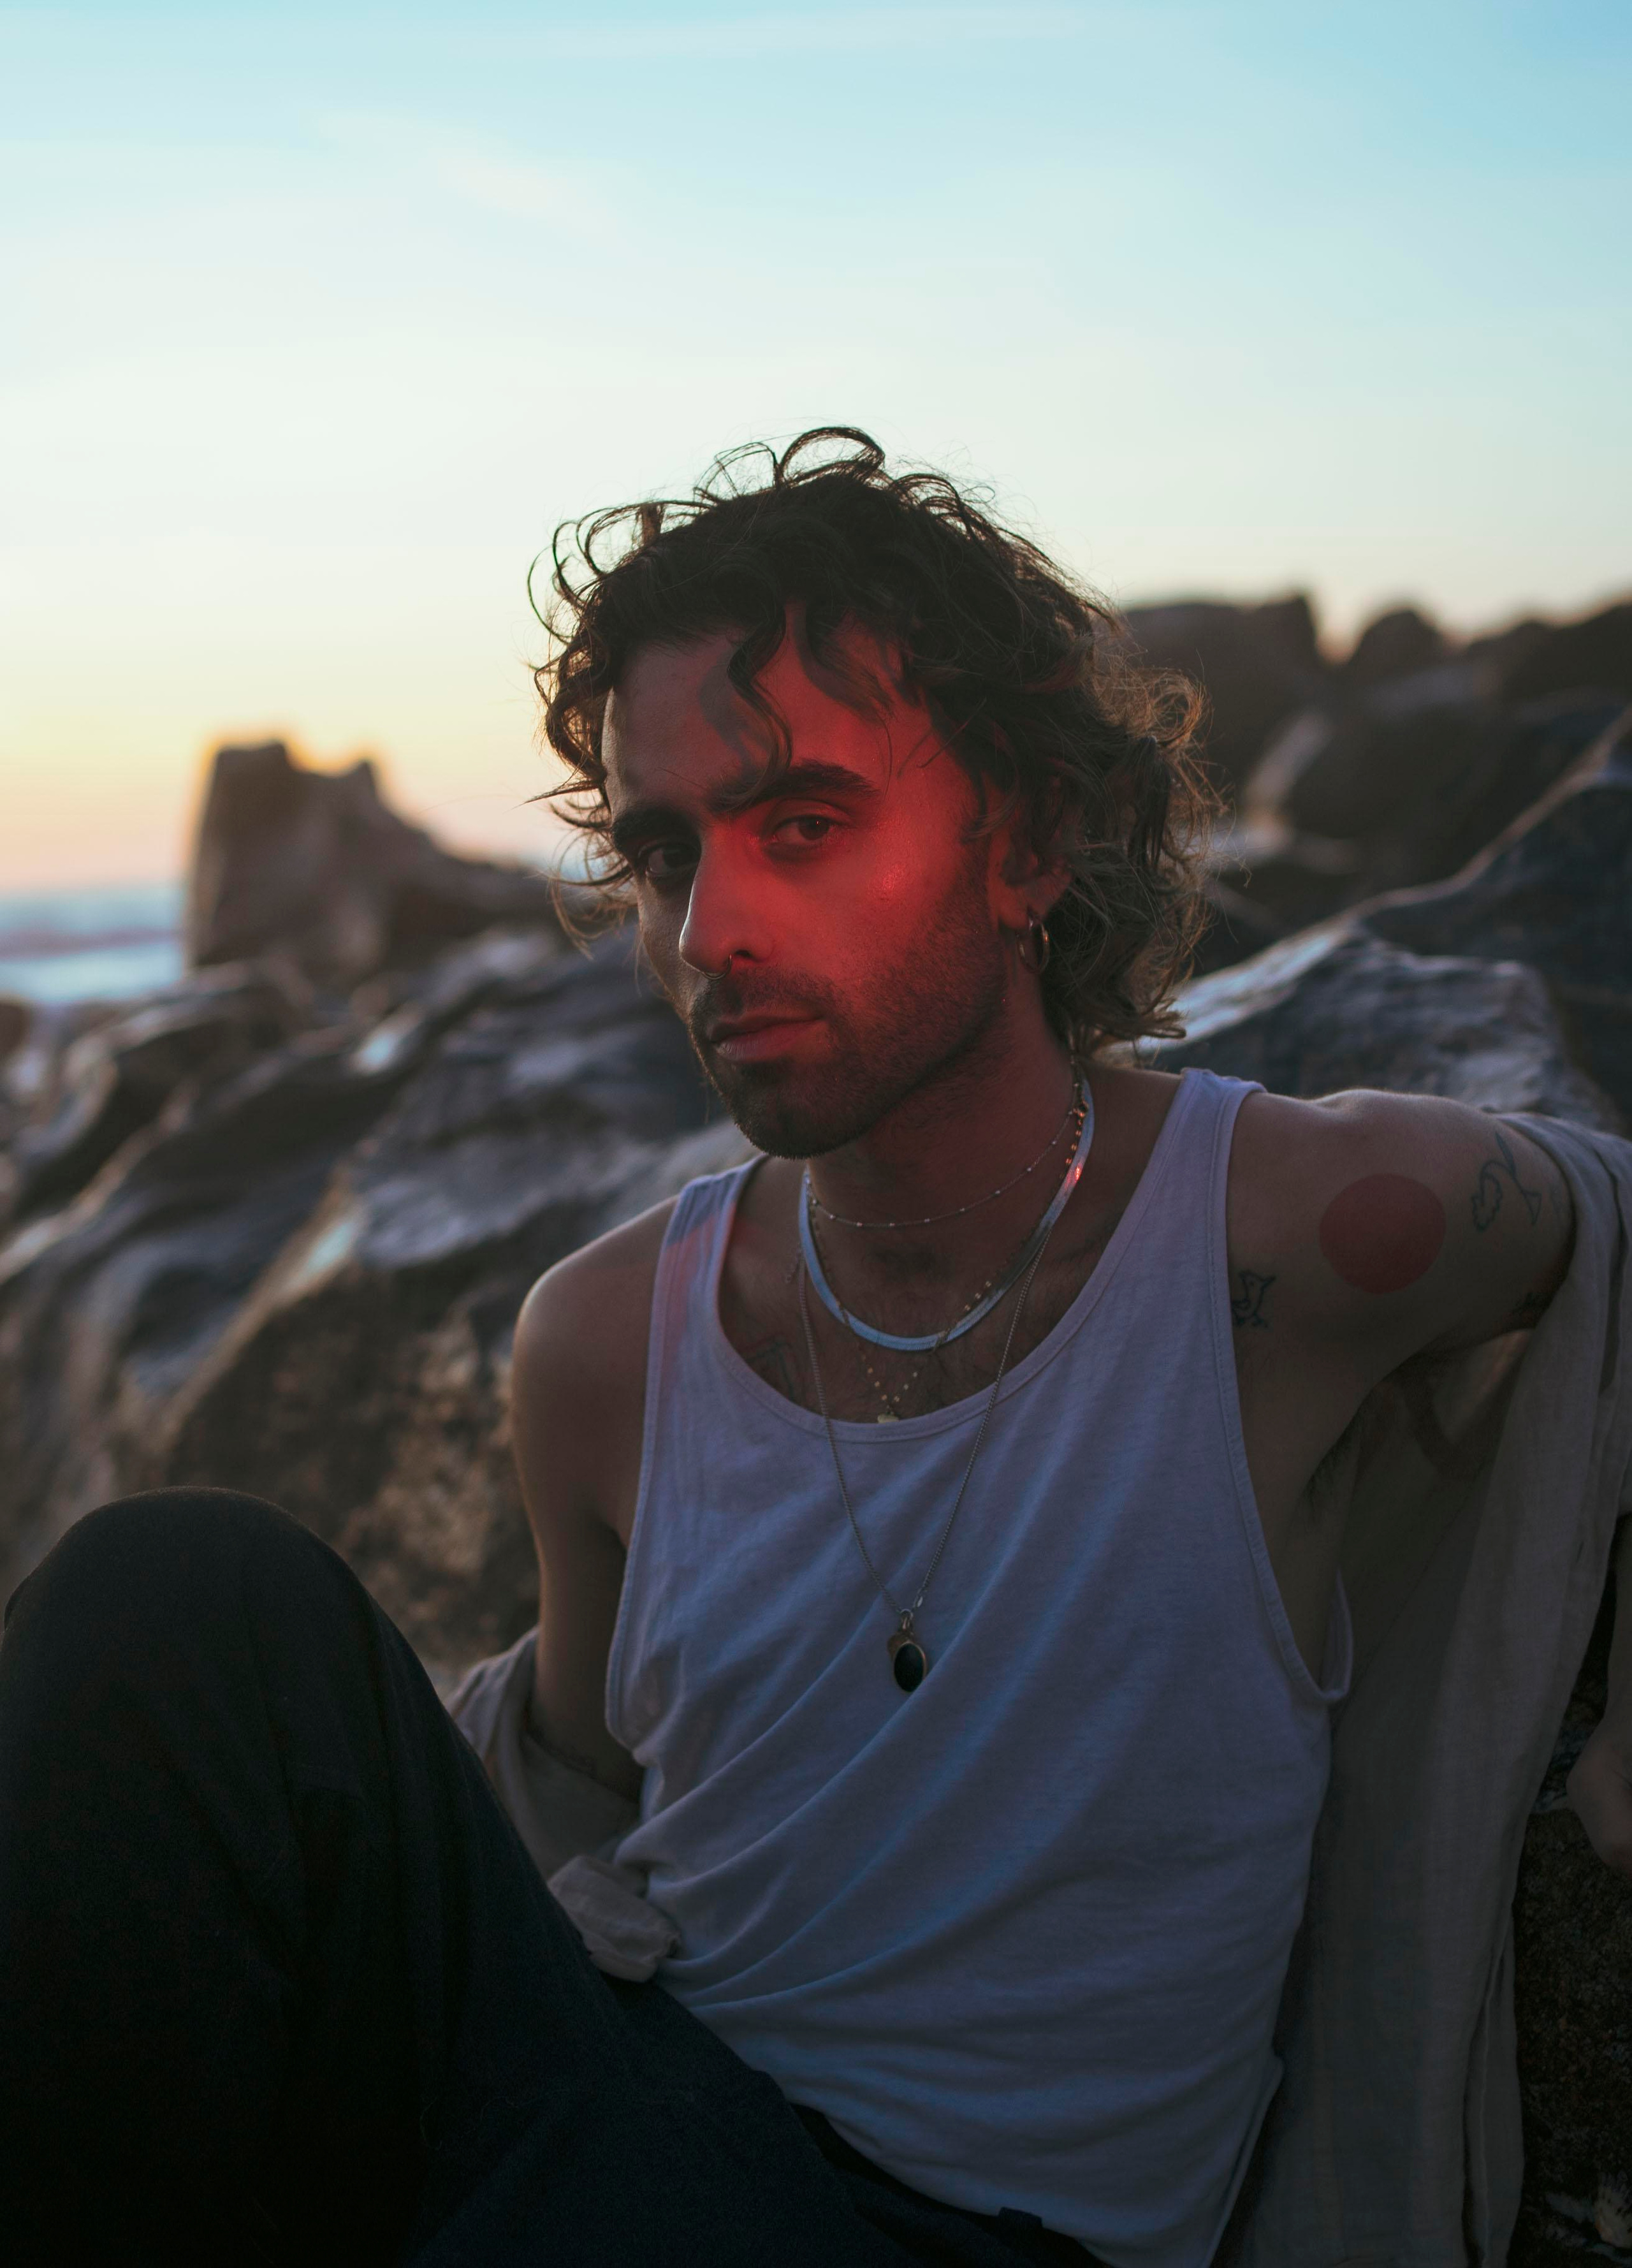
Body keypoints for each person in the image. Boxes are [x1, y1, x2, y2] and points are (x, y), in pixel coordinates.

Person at [1, 430, 1627, 2268]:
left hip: (972, 2238)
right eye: (664, 851)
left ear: (1028, 842)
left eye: (803, 824)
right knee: (174, 1595)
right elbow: (565, 1786)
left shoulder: (1302, 1235)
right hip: (624, 2113)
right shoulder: (606, 1343)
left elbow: (1616, 1233)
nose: (711, 930)